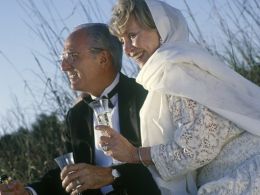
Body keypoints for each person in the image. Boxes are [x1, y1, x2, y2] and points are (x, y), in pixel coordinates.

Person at [94, 0, 260, 194]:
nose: (128, 49)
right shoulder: (180, 63)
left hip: (244, 177)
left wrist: (135, 154)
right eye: (122, 41)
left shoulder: (175, 70)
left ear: (161, 29)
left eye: (132, 35)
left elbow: (196, 147)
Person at [0, 23, 161, 195]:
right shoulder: (76, 116)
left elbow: (166, 161)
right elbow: (70, 174)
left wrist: (112, 175)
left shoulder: (147, 96)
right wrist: (29, 192)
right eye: (63, 57)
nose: (64, 66)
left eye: (72, 56)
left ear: (103, 58)